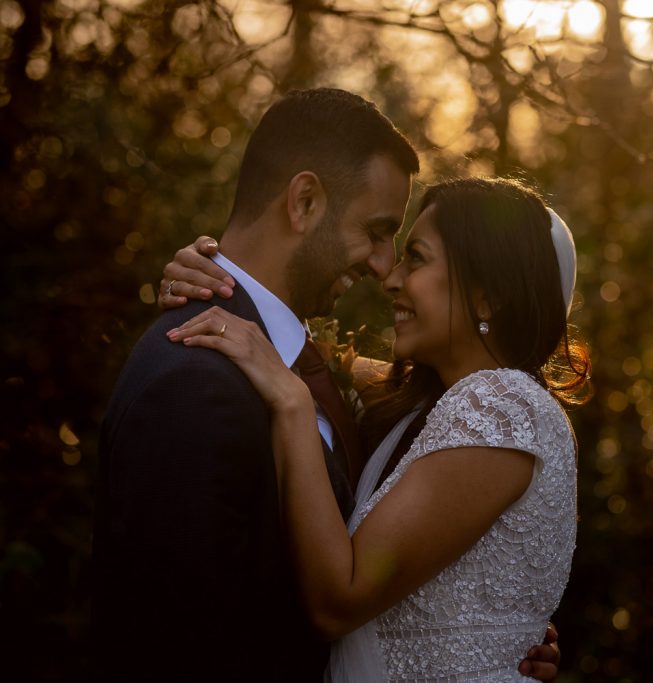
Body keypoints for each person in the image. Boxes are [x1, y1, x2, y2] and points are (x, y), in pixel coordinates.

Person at [92, 89, 559, 682]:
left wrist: (487, 632)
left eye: (408, 250)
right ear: (304, 201)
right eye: (379, 231)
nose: (383, 267)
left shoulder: (310, 373)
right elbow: (175, 645)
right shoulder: (194, 379)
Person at [161, 176, 589, 681]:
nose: (391, 279)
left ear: (486, 295)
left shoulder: (499, 405)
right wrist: (211, 276)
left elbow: (336, 604)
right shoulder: (424, 405)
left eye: (417, 258)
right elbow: (315, 357)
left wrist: (293, 404)